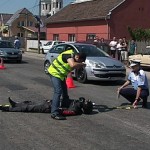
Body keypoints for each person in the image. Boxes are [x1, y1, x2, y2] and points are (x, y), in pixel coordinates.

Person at [48, 49, 87, 120]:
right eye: (80, 61)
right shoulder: (68, 55)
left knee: (64, 92)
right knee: (58, 91)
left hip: (61, 75)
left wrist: (80, 66)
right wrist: (81, 64)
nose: (79, 63)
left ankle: (64, 105)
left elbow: (71, 67)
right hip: (54, 73)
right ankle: (54, 113)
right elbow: (72, 64)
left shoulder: (74, 59)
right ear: (77, 57)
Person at [0, 97, 93, 115]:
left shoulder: (75, 110)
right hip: (50, 102)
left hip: (49, 107)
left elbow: (65, 111)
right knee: (29, 102)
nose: (85, 100)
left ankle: (8, 108)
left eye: (86, 102)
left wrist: (56, 108)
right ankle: (15, 104)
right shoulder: (77, 103)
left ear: (85, 106)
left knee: (29, 108)